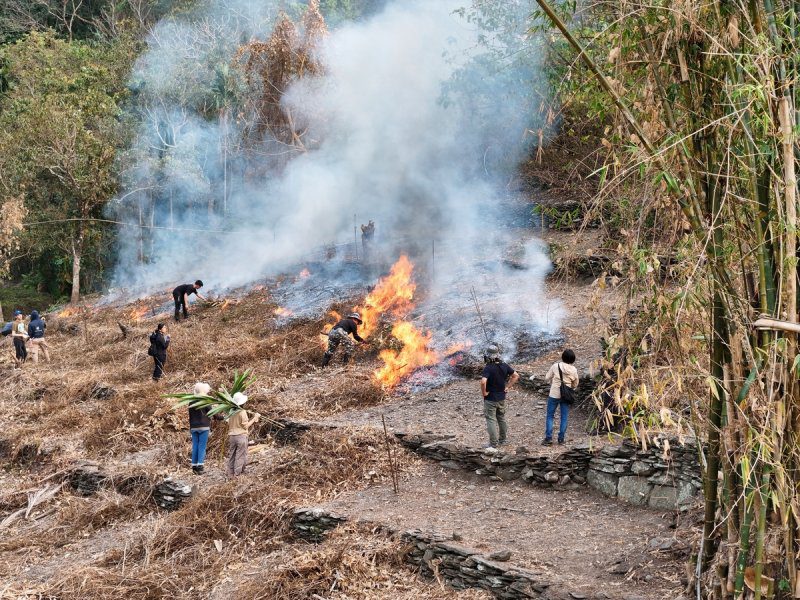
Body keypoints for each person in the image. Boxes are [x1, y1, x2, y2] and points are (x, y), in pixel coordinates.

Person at [480, 344, 519, 448]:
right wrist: (508, 387)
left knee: (491, 419)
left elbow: (483, 382)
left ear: (487, 356)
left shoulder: (488, 368)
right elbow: (516, 375)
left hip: (490, 398)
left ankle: (493, 443)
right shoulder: (504, 365)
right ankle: (503, 440)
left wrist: (484, 393)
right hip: (501, 397)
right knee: (501, 418)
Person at [542, 349, 579, 445]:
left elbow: (546, 378)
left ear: (562, 357)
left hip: (554, 394)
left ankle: (548, 438)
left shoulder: (556, 366)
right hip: (566, 395)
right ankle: (561, 439)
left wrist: (553, 382)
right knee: (564, 417)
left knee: (550, 416)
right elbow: (575, 384)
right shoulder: (574, 369)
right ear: (573, 359)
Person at [189, 382, 223, 475]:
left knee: (195, 445)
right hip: (203, 426)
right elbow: (213, 413)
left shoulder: (190, 401)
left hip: (193, 427)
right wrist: (222, 417)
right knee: (202, 446)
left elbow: (190, 416)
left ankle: (194, 466)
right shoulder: (205, 400)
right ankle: (200, 466)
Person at [226, 392, 260, 478]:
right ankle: (237, 474)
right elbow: (245, 426)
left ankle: (230, 473)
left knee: (232, 454)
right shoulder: (242, 412)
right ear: (242, 403)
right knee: (240, 455)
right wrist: (254, 418)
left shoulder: (231, 411)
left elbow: (228, 422)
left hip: (232, 436)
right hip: (241, 436)